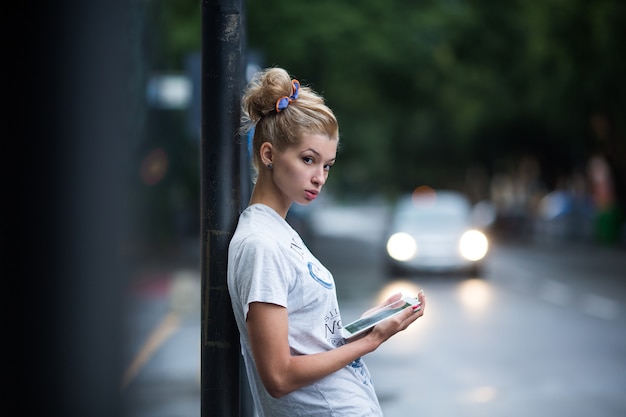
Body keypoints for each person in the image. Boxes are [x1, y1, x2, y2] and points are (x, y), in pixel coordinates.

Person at [227, 67, 427, 417]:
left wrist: (361, 328)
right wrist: (371, 341)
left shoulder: (279, 233)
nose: (319, 178)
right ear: (269, 155)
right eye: (308, 160)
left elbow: (307, 342)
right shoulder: (261, 244)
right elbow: (278, 375)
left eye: (328, 165)